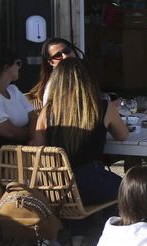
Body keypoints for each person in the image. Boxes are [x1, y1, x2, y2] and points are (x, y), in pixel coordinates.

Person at [31, 56, 129, 208]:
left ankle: (81, 228)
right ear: (88, 80)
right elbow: (123, 135)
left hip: (56, 188)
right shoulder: (102, 107)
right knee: (133, 191)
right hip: (90, 183)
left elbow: (39, 150)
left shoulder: (47, 111)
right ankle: (114, 227)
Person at [25, 37, 80, 107]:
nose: (65, 56)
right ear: (51, 62)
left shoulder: (84, 74)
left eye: (67, 51)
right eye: (58, 55)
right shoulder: (56, 83)